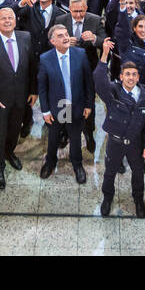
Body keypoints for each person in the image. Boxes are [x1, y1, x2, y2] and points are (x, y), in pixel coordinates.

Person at [94, 41, 145, 218]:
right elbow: (99, 82)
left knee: (138, 173)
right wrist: (104, 55)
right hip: (115, 141)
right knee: (110, 172)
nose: (130, 77)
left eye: (134, 75)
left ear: (138, 77)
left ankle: (138, 199)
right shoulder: (113, 91)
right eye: (127, 74)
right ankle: (107, 198)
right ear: (121, 77)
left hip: (136, 143)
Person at [0, 6, 35, 189]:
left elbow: (32, 67)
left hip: (21, 97)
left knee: (14, 130)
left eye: (10, 17)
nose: (8, 21)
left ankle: (9, 153)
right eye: (3, 18)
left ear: (15, 20)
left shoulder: (25, 37)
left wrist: (33, 91)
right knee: (0, 134)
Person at [38, 24, 93, 183]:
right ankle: (50, 162)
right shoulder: (45, 58)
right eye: (60, 36)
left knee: (75, 138)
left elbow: (88, 82)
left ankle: (77, 165)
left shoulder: (80, 54)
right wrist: (45, 111)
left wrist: (89, 105)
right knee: (54, 138)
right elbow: (42, 87)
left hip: (77, 105)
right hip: (58, 106)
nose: (66, 37)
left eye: (66, 34)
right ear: (52, 41)